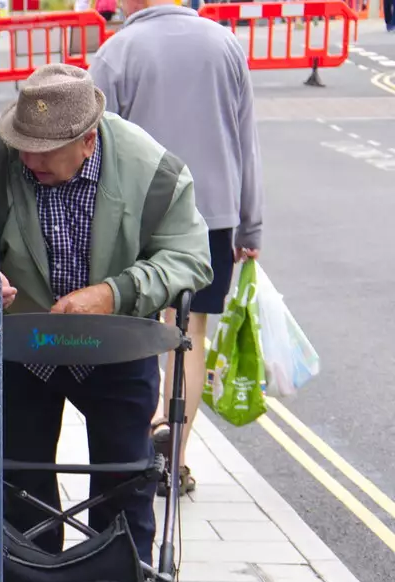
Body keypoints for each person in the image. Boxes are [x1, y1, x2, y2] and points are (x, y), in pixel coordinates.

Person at [0, 65, 212, 582]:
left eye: (45, 151)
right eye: (24, 146)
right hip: (27, 340)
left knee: (123, 472)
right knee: (20, 472)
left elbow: (190, 260)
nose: (29, 159)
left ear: (88, 140)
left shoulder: (154, 170)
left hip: (116, 341)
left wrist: (115, 292)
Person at [91, 0, 262, 496]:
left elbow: (96, 147)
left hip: (139, 214)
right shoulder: (226, 44)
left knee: (140, 329)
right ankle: (178, 456)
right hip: (213, 212)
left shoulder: (117, 50)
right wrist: (250, 226)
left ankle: (141, 448)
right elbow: (245, 139)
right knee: (191, 333)